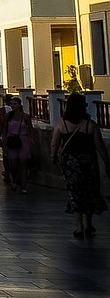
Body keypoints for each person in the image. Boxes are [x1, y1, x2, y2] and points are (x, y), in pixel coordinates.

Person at [50, 93, 110, 238]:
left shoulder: (62, 123)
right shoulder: (90, 125)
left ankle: (78, 227)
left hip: (70, 162)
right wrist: (107, 162)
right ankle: (88, 224)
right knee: (89, 191)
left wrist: (53, 155)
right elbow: (100, 146)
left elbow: (54, 142)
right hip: (88, 161)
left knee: (74, 192)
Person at [0, 96, 35, 192]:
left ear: (19, 105)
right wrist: (3, 139)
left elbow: (30, 128)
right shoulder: (8, 116)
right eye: (11, 104)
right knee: (13, 164)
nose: (12, 106)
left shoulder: (26, 116)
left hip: (23, 140)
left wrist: (31, 139)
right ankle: (14, 179)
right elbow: (5, 128)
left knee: (23, 163)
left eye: (14, 104)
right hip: (11, 140)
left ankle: (24, 186)